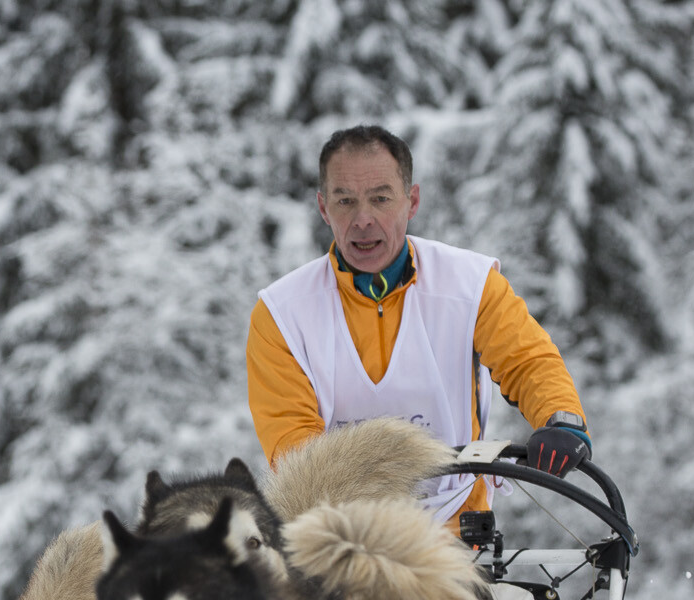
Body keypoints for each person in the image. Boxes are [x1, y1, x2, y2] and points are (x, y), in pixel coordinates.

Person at [247, 124, 593, 525]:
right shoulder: (282, 314)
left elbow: (527, 360)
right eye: (345, 201)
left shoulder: (470, 285)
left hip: (456, 532)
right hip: (341, 537)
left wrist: (560, 418)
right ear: (324, 208)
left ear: (411, 201)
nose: (363, 220)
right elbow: (296, 452)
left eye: (380, 199)